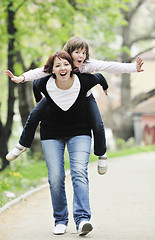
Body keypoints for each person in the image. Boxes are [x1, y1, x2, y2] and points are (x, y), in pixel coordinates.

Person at [5, 36, 144, 175]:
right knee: (35, 114)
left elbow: (109, 66)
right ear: (69, 52)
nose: (81, 56)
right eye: (77, 52)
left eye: (84, 53)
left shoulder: (87, 65)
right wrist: (21, 78)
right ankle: (22, 145)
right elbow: (39, 72)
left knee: (97, 123)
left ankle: (102, 154)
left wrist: (133, 68)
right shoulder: (61, 63)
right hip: (58, 95)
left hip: (84, 97)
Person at [8, 50, 109, 235]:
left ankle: (83, 219)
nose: (62, 68)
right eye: (57, 65)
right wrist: (37, 97)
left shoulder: (84, 81)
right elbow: (35, 84)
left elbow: (101, 76)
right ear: (51, 70)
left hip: (80, 130)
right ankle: (60, 220)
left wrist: (108, 85)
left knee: (79, 171)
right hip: (51, 131)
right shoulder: (44, 82)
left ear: (72, 67)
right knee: (55, 177)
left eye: (66, 64)